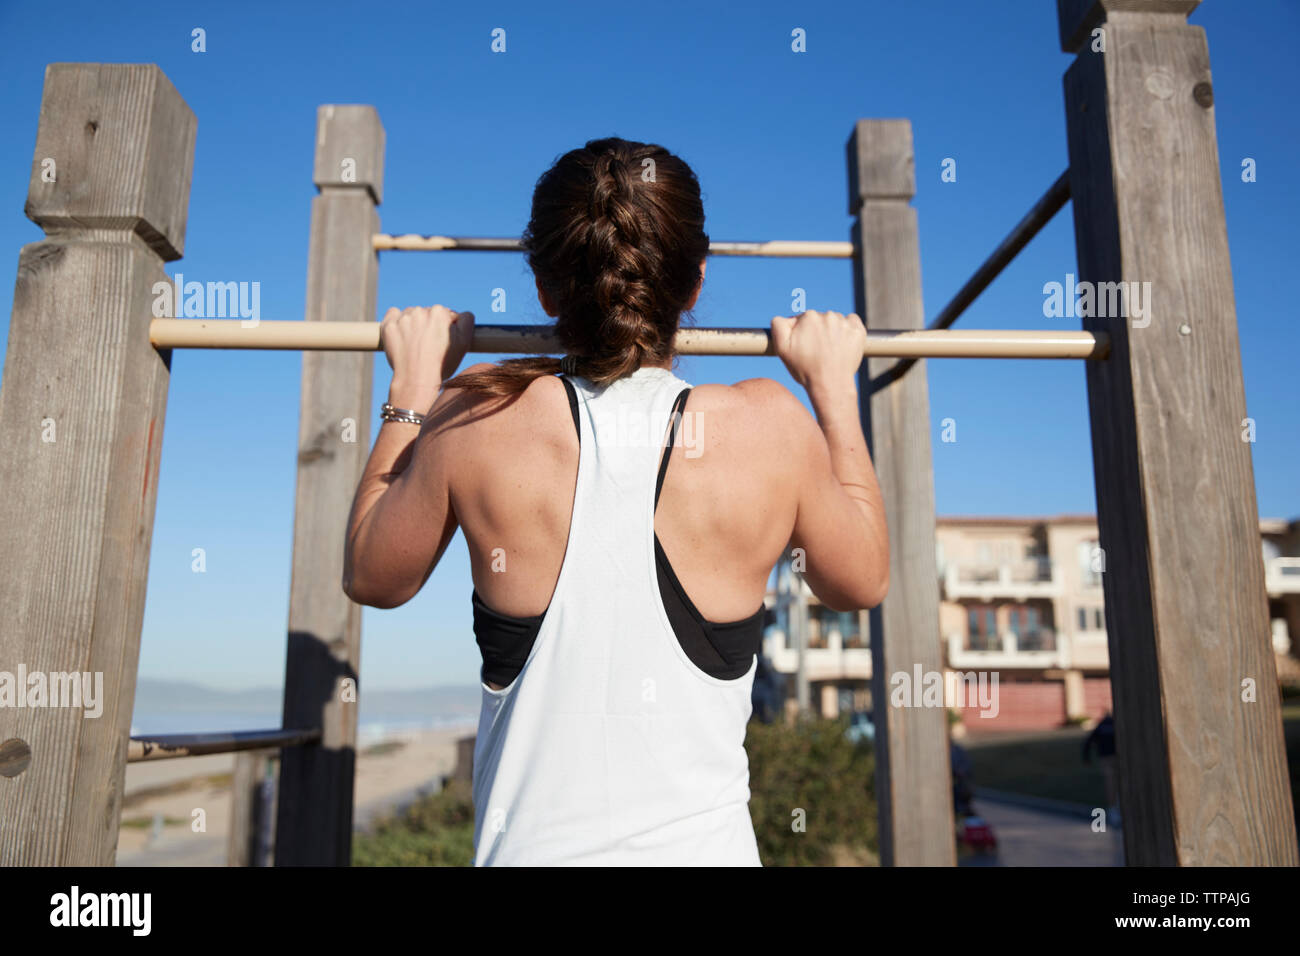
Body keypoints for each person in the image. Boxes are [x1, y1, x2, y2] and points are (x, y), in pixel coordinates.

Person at [341, 137, 889, 866]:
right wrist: (832, 392)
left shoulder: (474, 415)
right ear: (694, 281)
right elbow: (862, 581)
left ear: (542, 288)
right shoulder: (772, 426)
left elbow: (371, 575)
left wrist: (410, 391)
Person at [1082, 710, 1119, 824]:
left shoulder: (1101, 726)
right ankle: (1114, 809)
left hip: (1106, 758)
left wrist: (1086, 758)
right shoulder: (1114, 725)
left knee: (1111, 783)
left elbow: (1088, 742)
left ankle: (1114, 809)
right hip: (1114, 757)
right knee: (1114, 783)